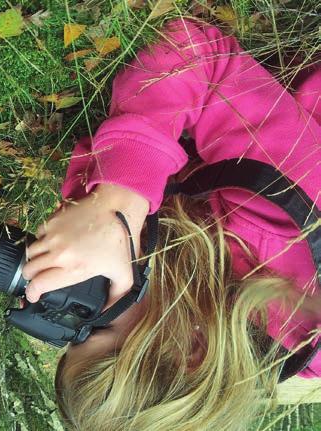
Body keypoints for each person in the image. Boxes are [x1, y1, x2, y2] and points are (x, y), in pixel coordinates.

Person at [20, 18, 321, 430]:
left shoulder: (190, 297)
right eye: (95, 326)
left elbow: (111, 165)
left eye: (72, 328)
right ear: (191, 348)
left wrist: (95, 212)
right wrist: (120, 199)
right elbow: (194, 52)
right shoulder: (285, 227)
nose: (78, 309)